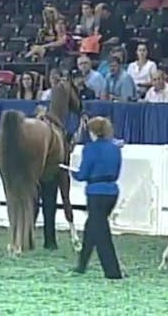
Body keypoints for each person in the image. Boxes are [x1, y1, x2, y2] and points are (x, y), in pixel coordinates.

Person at [70, 116, 124, 280]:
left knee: (100, 232)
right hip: (112, 191)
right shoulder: (115, 148)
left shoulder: (90, 148)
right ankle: (82, 264)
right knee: (92, 227)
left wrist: (73, 173)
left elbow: (83, 173)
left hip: (95, 192)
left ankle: (112, 271)